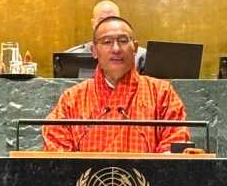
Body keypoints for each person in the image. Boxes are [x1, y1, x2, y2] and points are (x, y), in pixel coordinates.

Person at [43, 16, 190, 153]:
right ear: (94, 51)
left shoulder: (162, 94)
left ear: (136, 48)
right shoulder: (71, 99)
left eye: (123, 40)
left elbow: (173, 154)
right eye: (107, 42)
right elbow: (57, 157)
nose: (116, 49)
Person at [65, 0, 147, 71]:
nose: (108, 25)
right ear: (93, 24)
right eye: (102, 20)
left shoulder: (142, 56)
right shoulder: (71, 57)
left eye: (112, 19)